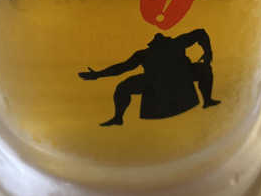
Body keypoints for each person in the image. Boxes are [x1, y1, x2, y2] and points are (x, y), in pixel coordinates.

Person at [79, 29, 221, 126]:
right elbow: (122, 68)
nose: (158, 35)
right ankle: (118, 117)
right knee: (123, 87)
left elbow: (123, 68)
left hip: (172, 79)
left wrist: (208, 52)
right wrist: (97, 74)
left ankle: (207, 100)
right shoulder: (172, 45)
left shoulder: (164, 47)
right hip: (160, 82)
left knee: (204, 69)